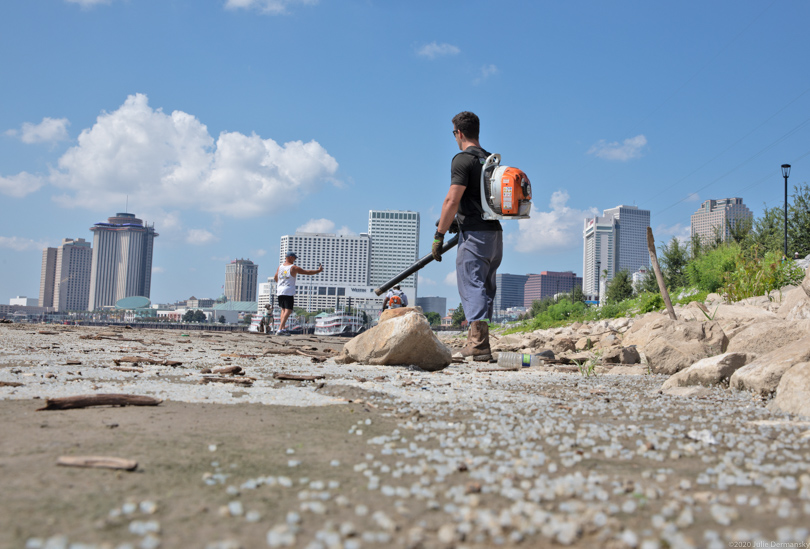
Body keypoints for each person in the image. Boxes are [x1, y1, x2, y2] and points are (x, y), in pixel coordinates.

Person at [432, 111, 502, 361]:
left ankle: (479, 344)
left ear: (459, 133)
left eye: (454, 134)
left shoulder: (463, 159)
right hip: (495, 236)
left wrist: (439, 235)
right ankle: (479, 342)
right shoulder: (490, 161)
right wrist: (453, 222)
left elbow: (452, 199)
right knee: (484, 288)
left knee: (471, 285)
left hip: (475, 236)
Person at [273, 252, 323, 335]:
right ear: (290, 257)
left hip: (280, 290)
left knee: (283, 309)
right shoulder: (293, 268)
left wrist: (280, 283)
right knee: (288, 310)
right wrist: (318, 270)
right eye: (294, 258)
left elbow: (275, 277)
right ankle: (280, 329)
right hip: (288, 290)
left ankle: (282, 328)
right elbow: (307, 272)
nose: (295, 260)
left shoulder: (280, 267)